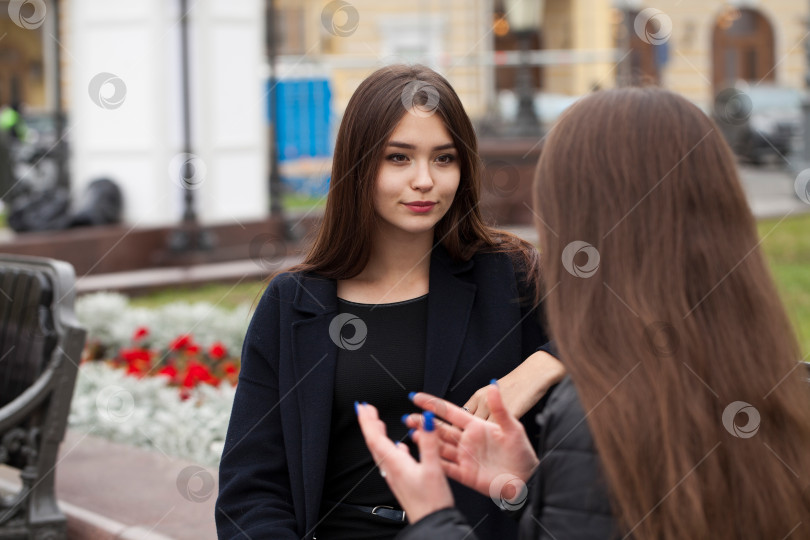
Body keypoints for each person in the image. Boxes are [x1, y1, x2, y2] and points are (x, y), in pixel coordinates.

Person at [358, 86, 810, 539]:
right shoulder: (779, 387)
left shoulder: (601, 412)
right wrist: (531, 487)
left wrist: (433, 517)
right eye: (398, 157)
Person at [215, 64, 564, 540]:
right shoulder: (294, 302)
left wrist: (544, 364)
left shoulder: (511, 277)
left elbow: (636, 327)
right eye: (398, 158)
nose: (425, 180)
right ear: (359, 165)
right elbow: (249, 490)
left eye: (444, 159)